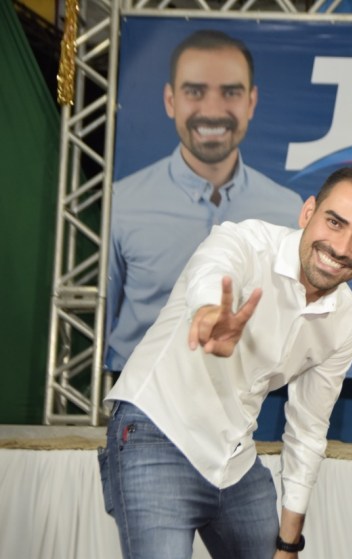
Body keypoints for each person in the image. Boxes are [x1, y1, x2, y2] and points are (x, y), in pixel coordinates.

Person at [98, 166, 352, 558]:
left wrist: (289, 543)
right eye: (335, 222)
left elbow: (308, 429)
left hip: (236, 459)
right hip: (157, 431)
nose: (341, 247)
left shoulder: (345, 320)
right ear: (308, 212)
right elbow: (214, 271)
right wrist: (209, 313)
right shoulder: (244, 242)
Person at [106, 29, 303, 372]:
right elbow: (101, 313)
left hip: (242, 393)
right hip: (137, 389)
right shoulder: (121, 202)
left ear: (251, 102)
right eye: (195, 92)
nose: (212, 110)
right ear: (171, 101)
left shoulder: (287, 210)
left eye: (231, 92)